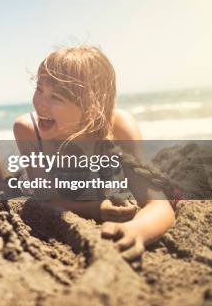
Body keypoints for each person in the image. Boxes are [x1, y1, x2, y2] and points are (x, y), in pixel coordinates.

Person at [12, 45, 175, 264]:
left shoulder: (118, 127)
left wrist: (136, 230)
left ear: (91, 106)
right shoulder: (29, 131)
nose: (40, 103)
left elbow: (158, 205)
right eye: (39, 88)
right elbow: (48, 200)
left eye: (56, 97)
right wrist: (96, 209)